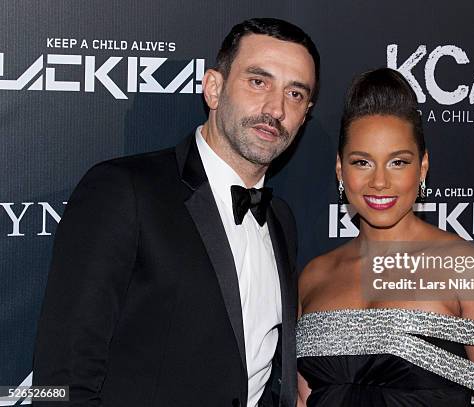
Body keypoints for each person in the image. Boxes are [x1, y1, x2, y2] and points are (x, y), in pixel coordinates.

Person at [33, 18, 319, 407]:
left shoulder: (281, 220)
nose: (276, 108)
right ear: (214, 89)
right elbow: (63, 378)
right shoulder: (124, 191)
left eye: (295, 94)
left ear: (305, 115)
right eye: (258, 81)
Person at [296, 68, 474, 406]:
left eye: (398, 162)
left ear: (422, 168)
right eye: (362, 162)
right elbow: (306, 399)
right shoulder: (314, 276)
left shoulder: (468, 269)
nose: (379, 182)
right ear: (340, 170)